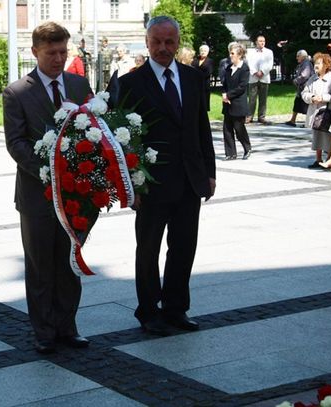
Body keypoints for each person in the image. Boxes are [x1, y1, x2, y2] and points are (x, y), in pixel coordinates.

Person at [116, 16, 216, 334]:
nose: (163, 48)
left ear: (177, 43)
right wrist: (131, 183)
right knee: (148, 250)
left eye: (169, 42)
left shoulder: (193, 77)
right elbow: (121, 137)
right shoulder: (130, 83)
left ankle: (176, 308)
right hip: (151, 183)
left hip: (189, 179)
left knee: (184, 246)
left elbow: (201, 126)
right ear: (147, 43)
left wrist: (209, 172)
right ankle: (148, 311)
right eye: (156, 42)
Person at [3, 21, 93, 354]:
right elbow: (16, 142)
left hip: (76, 195)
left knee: (69, 261)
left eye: (63, 52)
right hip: (37, 194)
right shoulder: (17, 92)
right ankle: (44, 331)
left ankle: (68, 327)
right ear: (35, 52)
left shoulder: (79, 84)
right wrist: (51, 171)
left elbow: (95, 128)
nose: (58, 59)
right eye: (51, 53)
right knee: (40, 265)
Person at [301, 52, 331, 169]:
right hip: (314, 110)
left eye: (319, 63)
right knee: (316, 135)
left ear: (326, 65)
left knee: (328, 135)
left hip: (328, 110)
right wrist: (311, 97)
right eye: (315, 63)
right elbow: (304, 92)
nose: (316, 65)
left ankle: (330, 158)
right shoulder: (313, 78)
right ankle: (318, 159)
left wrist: (323, 98)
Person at [222, 43, 251, 160]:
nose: (230, 55)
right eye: (230, 53)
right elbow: (224, 84)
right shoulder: (229, 68)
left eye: (232, 53)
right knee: (227, 129)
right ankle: (231, 153)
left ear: (239, 55)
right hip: (227, 103)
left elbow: (242, 87)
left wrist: (228, 95)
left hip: (238, 103)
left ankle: (247, 148)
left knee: (239, 128)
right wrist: (224, 94)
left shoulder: (244, 68)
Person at [246, 35, 274, 124]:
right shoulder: (250, 52)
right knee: (252, 99)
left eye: (263, 41)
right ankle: (249, 116)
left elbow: (270, 64)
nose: (262, 43)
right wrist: (255, 72)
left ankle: (261, 116)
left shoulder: (269, 52)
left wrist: (262, 72)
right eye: (260, 41)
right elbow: (249, 63)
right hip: (253, 77)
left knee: (263, 99)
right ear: (256, 42)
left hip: (264, 78)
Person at [285, 50, 313, 127]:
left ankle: (308, 123)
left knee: (307, 105)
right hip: (301, 88)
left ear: (302, 56)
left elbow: (304, 75)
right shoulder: (303, 63)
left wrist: (296, 80)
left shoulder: (306, 63)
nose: (296, 58)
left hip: (306, 88)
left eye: (298, 56)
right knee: (297, 103)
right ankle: (292, 120)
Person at [192, 45, 214, 111]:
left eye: (205, 51)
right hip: (195, 84)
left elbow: (209, 72)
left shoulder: (210, 61)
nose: (203, 52)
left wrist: (197, 76)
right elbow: (192, 69)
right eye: (201, 50)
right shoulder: (195, 60)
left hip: (205, 85)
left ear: (208, 52)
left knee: (204, 104)